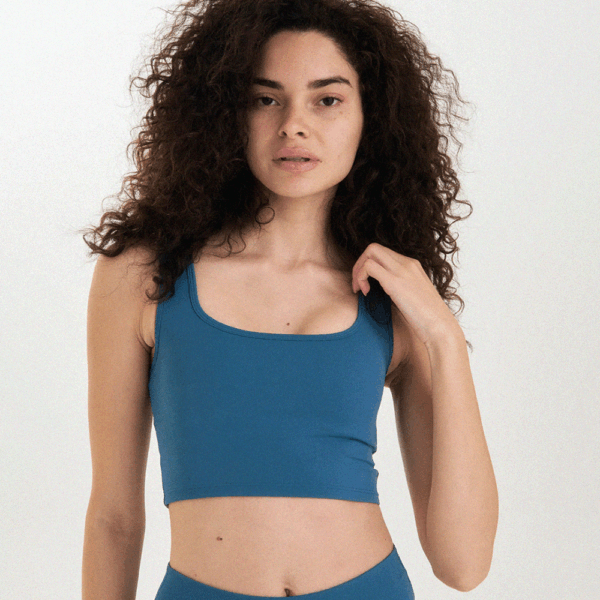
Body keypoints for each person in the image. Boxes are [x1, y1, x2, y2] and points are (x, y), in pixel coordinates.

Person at [81, 0, 498, 598]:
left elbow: (464, 565)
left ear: (371, 117)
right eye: (265, 98)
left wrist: (445, 338)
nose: (294, 125)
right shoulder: (145, 275)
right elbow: (114, 518)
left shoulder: (394, 297)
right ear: (225, 112)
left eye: (327, 99)